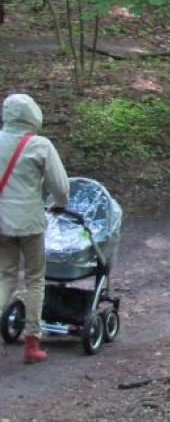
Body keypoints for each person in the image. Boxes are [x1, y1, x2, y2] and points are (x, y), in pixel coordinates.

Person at [0, 93, 70, 362]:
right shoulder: (40, 145)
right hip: (29, 221)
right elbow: (61, 187)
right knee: (34, 279)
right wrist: (58, 204)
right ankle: (31, 343)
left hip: (1, 221)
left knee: (5, 276)